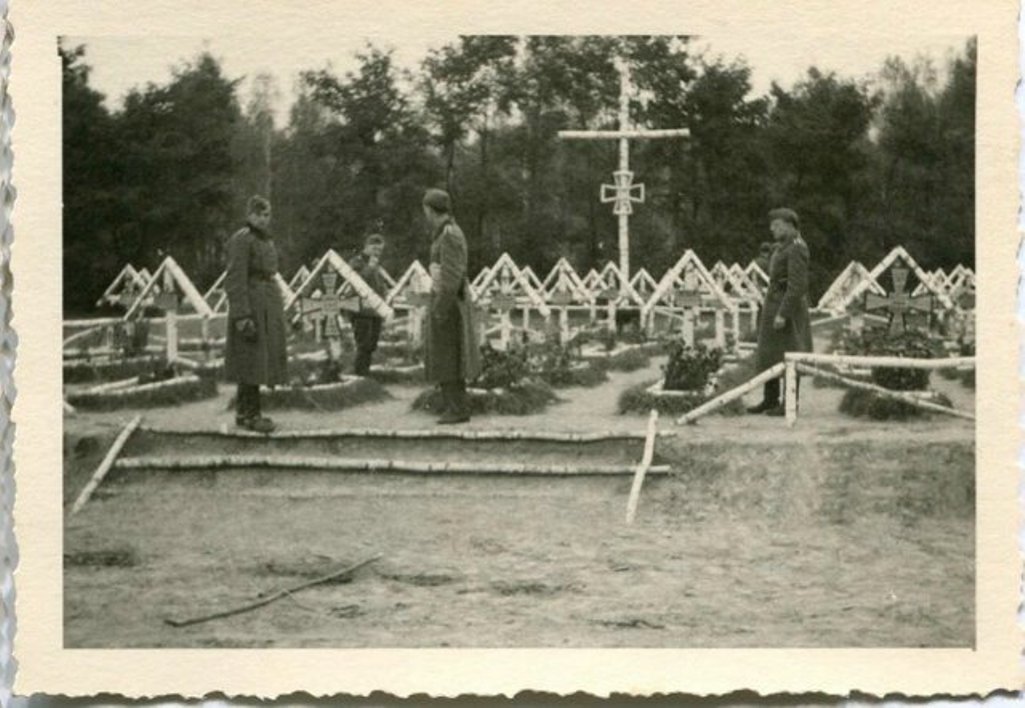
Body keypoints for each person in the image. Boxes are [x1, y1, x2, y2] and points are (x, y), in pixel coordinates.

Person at [224, 195, 288, 433]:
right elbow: (235, 278)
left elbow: (270, 272)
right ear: (249, 215)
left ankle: (244, 412)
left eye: (266, 214)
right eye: (258, 214)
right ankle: (251, 415)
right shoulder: (242, 239)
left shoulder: (266, 240)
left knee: (258, 360)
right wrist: (242, 316)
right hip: (251, 306)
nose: (263, 219)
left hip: (266, 305)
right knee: (250, 360)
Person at [422, 188, 482, 424]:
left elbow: (452, 275)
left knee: (449, 356)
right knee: (446, 356)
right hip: (445, 301)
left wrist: (440, 308)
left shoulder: (450, 235)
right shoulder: (443, 233)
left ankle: (457, 408)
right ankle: (454, 406)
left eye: (426, 209)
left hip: (449, 305)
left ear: (430, 210)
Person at [747, 207, 812, 416]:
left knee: (790, 352)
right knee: (771, 354)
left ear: (790, 225)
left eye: (777, 225)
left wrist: (783, 313)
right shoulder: (781, 247)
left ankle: (789, 402)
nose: (772, 229)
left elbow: (797, 285)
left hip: (787, 307)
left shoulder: (797, 248)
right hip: (774, 303)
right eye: (772, 225)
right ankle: (770, 399)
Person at [349, 233, 388, 376]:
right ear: (366, 247)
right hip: (361, 310)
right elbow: (357, 282)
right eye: (374, 249)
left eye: (380, 250)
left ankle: (366, 373)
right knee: (363, 343)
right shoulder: (356, 262)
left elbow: (379, 285)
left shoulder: (376, 264)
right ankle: (360, 374)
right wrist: (370, 267)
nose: (377, 253)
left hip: (375, 310)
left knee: (372, 344)